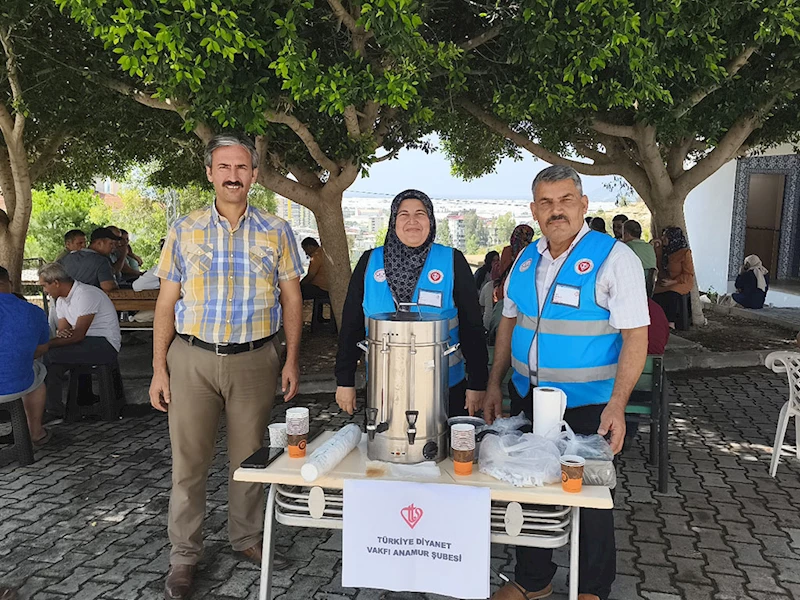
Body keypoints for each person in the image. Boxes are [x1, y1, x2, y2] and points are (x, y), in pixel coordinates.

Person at [148, 134, 304, 600]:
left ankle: (247, 539)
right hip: (191, 359)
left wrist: (291, 357)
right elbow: (165, 302)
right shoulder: (184, 228)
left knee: (249, 459)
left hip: (255, 361)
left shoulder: (277, 229)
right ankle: (184, 556)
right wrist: (160, 367)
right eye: (224, 167)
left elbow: (292, 297)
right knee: (189, 463)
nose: (233, 175)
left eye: (242, 167)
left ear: (255, 175)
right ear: (210, 173)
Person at [486, 165, 649, 600]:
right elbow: (508, 323)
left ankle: (591, 588)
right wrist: (493, 385)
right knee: (529, 487)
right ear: (535, 210)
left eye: (565, 201)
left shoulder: (616, 258)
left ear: (583, 205)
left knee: (591, 500)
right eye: (546, 202)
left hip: (588, 405)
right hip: (527, 400)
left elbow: (636, 336)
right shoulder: (525, 258)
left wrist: (618, 404)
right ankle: (533, 581)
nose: (556, 210)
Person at [335, 189, 488, 419]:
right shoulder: (369, 262)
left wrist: (477, 383)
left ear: (431, 220)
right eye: (403, 214)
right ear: (393, 221)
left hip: (446, 388)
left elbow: (472, 326)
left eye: (420, 214)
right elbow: (351, 326)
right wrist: (344, 380)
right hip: (384, 390)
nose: (412, 221)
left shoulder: (451, 261)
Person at [37, 263, 121, 421]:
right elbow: (63, 332)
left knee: (49, 354)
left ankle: (53, 409)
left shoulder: (85, 294)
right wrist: (64, 335)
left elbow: (77, 336)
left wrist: (46, 345)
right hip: (85, 343)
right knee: (53, 362)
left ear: (56, 282)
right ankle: (55, 408)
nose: (45, 291)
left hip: (104, 344)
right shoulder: (61, 301)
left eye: (45, 286)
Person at [0, 266, 50, 446]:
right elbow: (42, 348)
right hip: (16, 386)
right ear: (10, 283)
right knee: (38, 371)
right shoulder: (34, 311)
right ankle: (35, 432)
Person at [652, 226, 695, 328]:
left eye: (665, 237)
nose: (663, 239)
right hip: (667, 281)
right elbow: (659, 266)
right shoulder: (666, 251)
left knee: (672, 293)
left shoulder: (685, 253)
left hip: (681, 282)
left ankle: (670, 322)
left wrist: (673, 282)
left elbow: (688, 274)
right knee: (655, 294)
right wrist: (657, 249)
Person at [58, 227, 120, 292]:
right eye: (111, 244)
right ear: (99, 243)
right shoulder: (101, 261)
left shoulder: (64, 259)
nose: (113, 247)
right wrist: (114, 284)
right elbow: (108, 286)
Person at [622, 220, 657, 294]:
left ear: (626, 234)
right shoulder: (649, 246)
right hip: (649, 286)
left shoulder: (628, 247)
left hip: (634, 286)